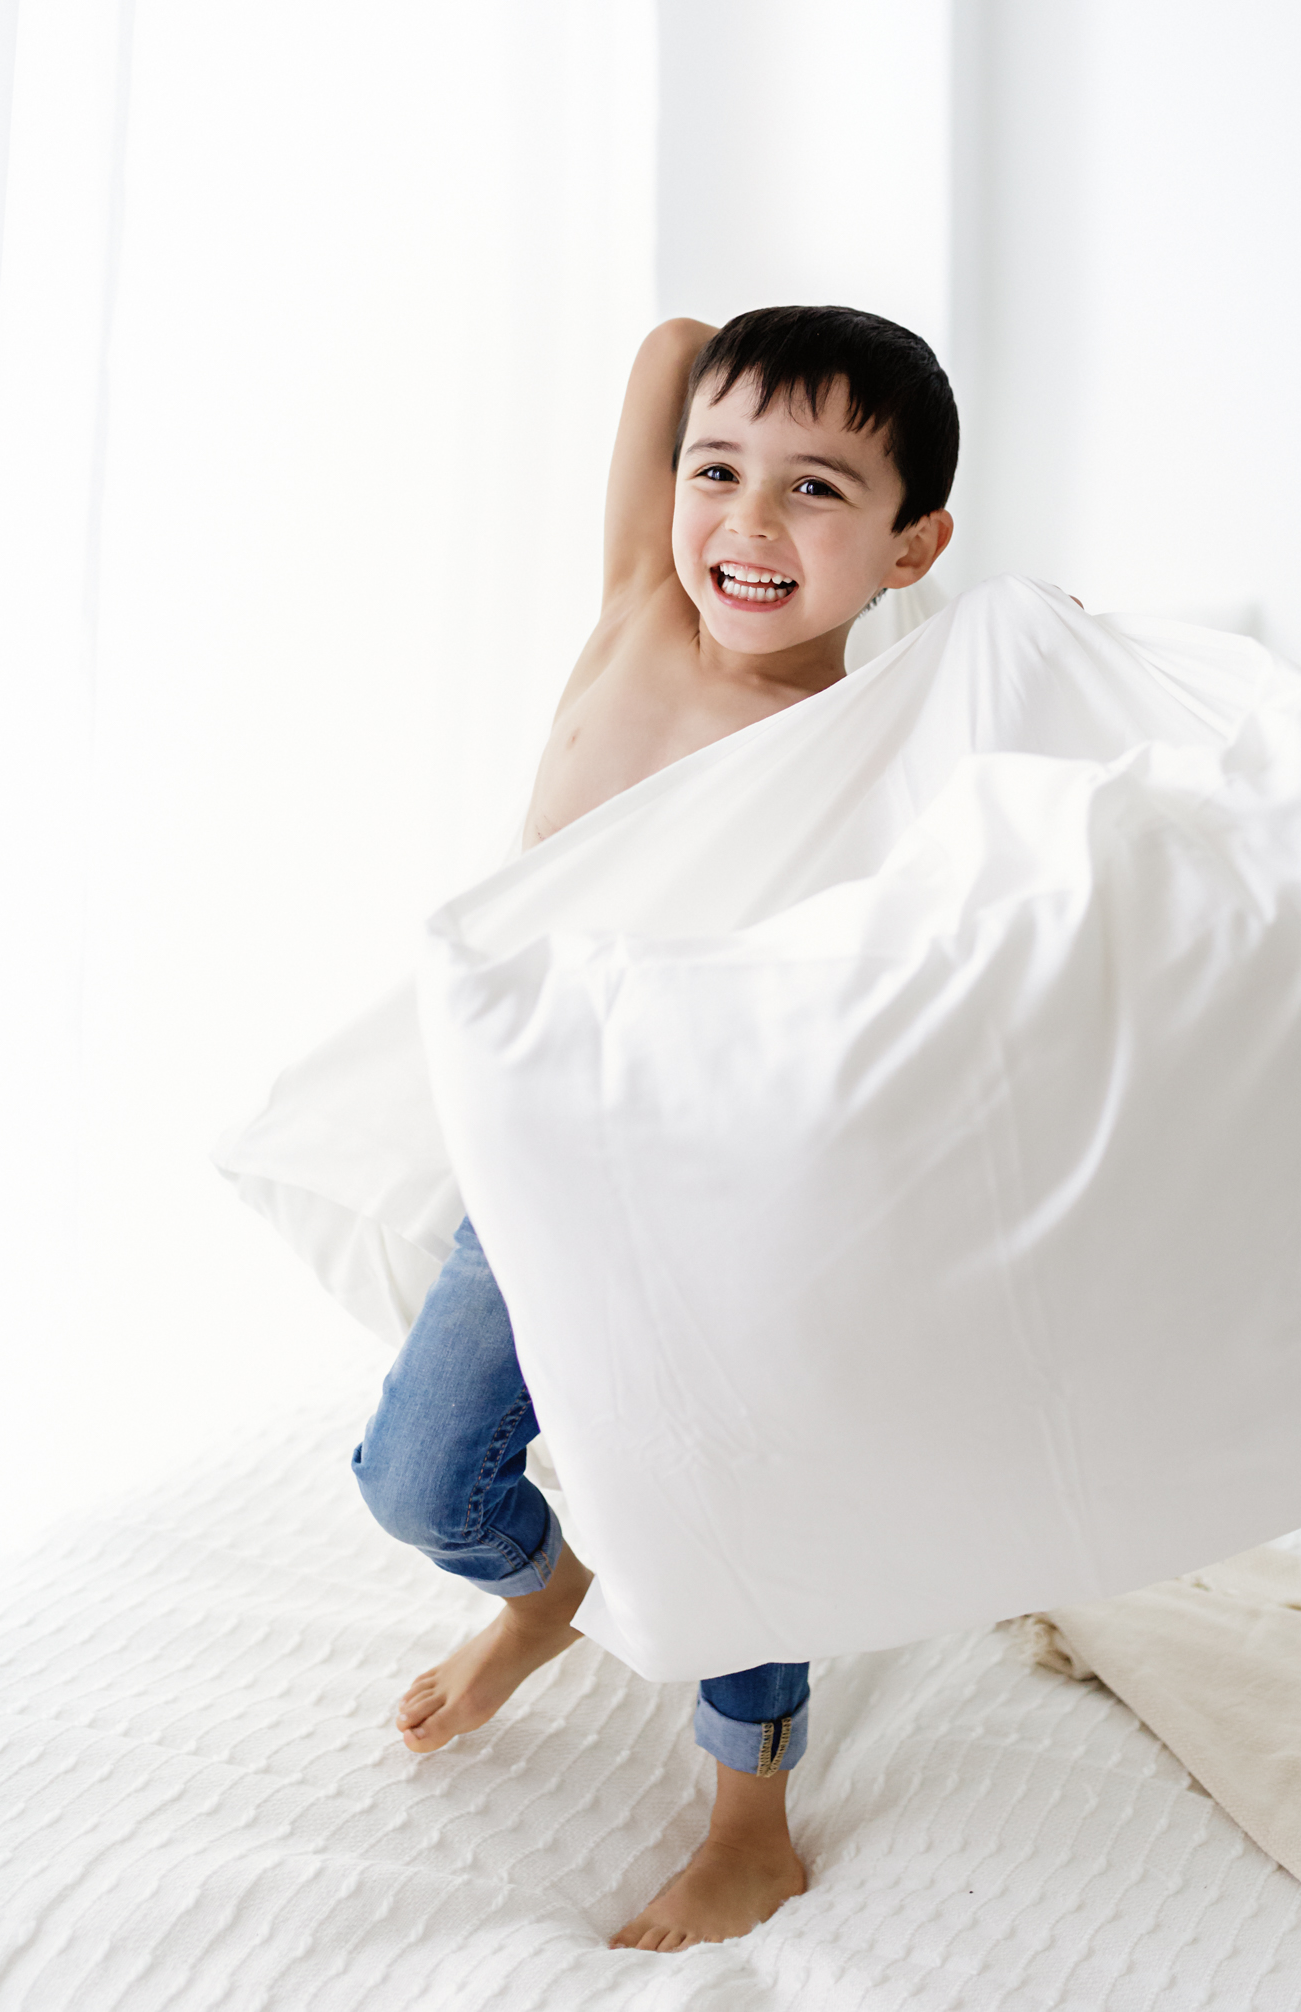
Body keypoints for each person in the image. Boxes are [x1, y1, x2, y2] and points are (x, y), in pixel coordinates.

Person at [351, 304, 958, 1951]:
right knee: (417, 1480)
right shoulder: (638, 606)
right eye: (720, 472)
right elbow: (673, 346)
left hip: (709, 1198)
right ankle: (546, 1599)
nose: (750, 523)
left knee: (726, 1509)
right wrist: (767, 407)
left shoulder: (874, 748)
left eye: (818, 491)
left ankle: (751, 1820)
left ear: (913, 547)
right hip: (529, 1163)